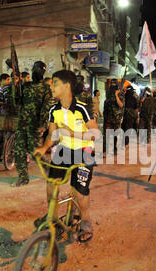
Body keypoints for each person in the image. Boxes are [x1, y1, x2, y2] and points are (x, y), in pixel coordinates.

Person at [33, 69, 99, 236]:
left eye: (55, 83)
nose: (51, 87)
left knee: (80, 190)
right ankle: (53, 217)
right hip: (64, 150)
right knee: (51, 184)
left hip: (84, 151)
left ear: (67, 86)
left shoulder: (82, 109)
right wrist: (43, 148)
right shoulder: (53, 110)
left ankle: (85, 220)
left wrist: (72, 134)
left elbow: (95, 133)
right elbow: (52, 134)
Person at [12, 61, 52, 187]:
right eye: (35, 69)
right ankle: (23, 177)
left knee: (35, 152)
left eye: (39, 70)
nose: (36, 72)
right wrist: (15, 85)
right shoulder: (26, 86)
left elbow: (47, 108)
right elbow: (17, 101)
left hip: (35, 125)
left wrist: (43, 125)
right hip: (22, 123)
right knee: (19, 150)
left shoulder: (46, 89)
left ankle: (49, 168)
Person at [103, 81, 125, 155]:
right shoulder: (109, 95)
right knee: (108, 135)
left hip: (117, 119)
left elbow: (121, 105)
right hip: (109, 118)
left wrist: (116, 96)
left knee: (116, 136)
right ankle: (107, 150)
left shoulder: (120, 95)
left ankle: (116, 150)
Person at [0, 73, 11, 161]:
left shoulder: (8, 89)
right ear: (1, 80)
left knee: (7, 135)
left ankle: (6, 154)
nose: (9, 81)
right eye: (7, 80)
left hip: (6, 114)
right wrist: (5, 103)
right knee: (0, 135)